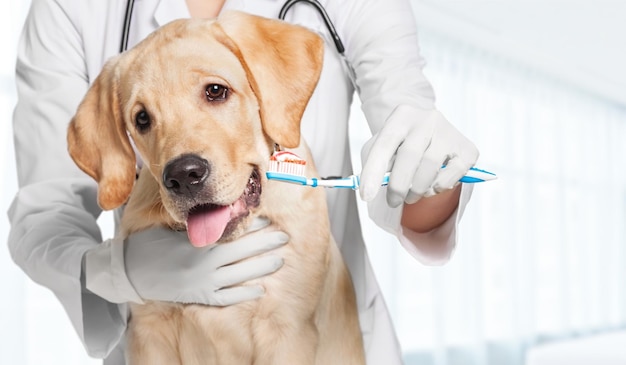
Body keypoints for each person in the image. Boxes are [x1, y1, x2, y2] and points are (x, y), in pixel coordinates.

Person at [8, 0, 479, 364]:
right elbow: (44, 212)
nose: (185, 164)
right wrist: (118, 271)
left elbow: (403, 161)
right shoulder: (68, 8)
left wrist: (429, 170)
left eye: (216, 91)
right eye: (143, 119)